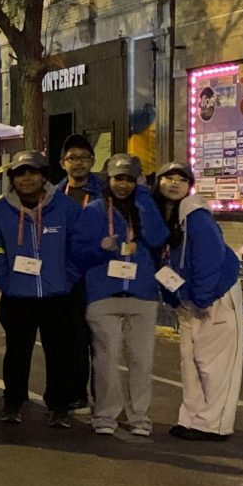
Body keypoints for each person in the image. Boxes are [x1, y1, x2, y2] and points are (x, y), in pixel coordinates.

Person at [72, 154, 168, 437]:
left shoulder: (146, 207)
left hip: (142, 294)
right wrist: (100, 249)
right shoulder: (94, 210)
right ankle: (105, 415)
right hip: (103, 295)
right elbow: (77, 252)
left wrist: (143, 202)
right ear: (108, 179)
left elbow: (157, 238)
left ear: (137, 181)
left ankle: (140, 416)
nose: (123, 185)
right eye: (118, 178)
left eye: (129, 179)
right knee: (106, 358)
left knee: (141, 359)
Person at [0, 150, 81, 428]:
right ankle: (13, 403)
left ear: (44, 176)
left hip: (57, 296)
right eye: (20, 173)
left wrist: (68, 277)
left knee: (59, 354)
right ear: (12, 179)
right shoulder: (1, 209)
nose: (26, 178)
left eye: (32, 172)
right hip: (17, 296)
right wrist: (4, 279)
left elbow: (77, 246)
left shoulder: (65, 207)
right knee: (16, 353)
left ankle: (60, 406)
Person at [153, 162, 243, 441]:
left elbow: (209, 257)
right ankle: (191, 419)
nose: (175, 183)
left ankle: (213, 425)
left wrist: (202, 296)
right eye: (169, 178)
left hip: (215, 296)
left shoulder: (196, 215)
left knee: (214, 364)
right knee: (191, 362)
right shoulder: (164, 217)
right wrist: (175, 297)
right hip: (188, 300)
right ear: (158, 183)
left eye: (182, 179)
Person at [57, 133, 105, 413]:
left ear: (92, 161)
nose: (78, 164)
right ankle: (76, 394)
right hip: (68, 279)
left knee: (102, 341)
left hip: (99, 278)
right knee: (73, 340)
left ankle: (103, 397)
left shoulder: (107, 192)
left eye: (83, 158)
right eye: (72, 158)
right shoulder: (54, 195)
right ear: (63, 163)